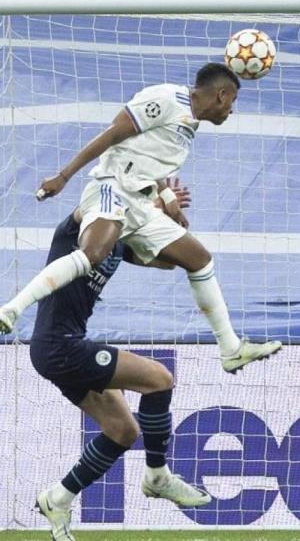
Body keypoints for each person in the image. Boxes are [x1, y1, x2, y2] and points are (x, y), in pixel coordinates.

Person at [0, 63, 281, 373]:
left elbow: (146, 157)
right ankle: (12, 309)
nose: (232, 111)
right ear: (221, 94)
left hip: (142, 203)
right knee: (94, 253)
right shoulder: (167, 99)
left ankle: (230, 348)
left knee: (199, 259)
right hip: (114, 186)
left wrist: (170, 199)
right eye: (233, 102)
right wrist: (64, 175)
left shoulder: (189, 121)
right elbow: (114, 133)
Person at [32, 184, 211, 541]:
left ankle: (58, 498)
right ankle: (157, 476)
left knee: (123, 431)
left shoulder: (119, 243)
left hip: (62, 347)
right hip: (58, 345)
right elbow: (97, 204)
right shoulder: (79, 226)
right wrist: (150, 201)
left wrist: (170, 219)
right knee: (159, 379)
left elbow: (171, 261)